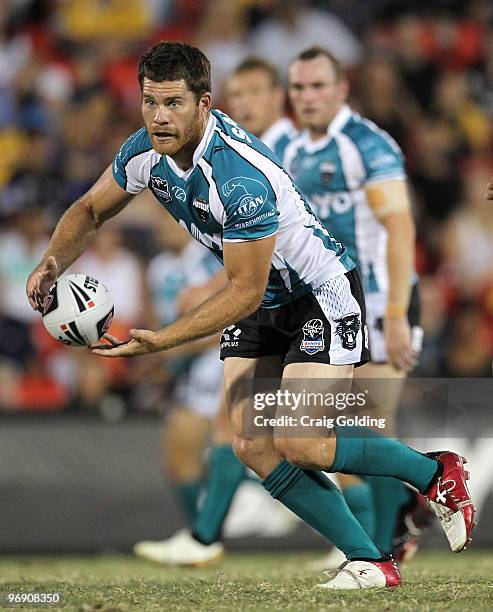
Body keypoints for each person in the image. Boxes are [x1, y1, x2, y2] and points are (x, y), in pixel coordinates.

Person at [27, 41, 475, 590]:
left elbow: (242, 291)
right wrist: (52, 260)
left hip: (319, 292)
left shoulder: (237, 177)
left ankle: (436, 473)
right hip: (264, 300)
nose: (158, 117)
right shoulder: (144, 151)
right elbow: (91, 208)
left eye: (172, 103)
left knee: (302, 440)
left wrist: (161, 340)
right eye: (149, 102)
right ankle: (370, 560)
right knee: (250, 444)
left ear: (204, 104)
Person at [134, 57, 299, 567]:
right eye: (239, 93)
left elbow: (279, 242)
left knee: (298, 444)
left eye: (256, 92)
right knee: (201, 444)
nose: (246, 103)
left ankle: (206, 538)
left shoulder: (278, 150)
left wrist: (201, 300)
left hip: (294, 303)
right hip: (237, 315)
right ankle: (202, 536)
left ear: (278, 98)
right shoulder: (207, 153)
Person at [285, 45, 429, 568]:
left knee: (369, 420)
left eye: (319, 85)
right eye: (299, 87)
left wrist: (394, 315)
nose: (308, 97)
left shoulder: (367, 143)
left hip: (385, 299)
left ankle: (383, 543)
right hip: (334, 303)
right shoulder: (291, 147)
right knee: (335, 429)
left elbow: (399, 225)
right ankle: (403, 508)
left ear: (342, 88)